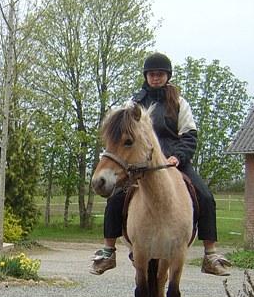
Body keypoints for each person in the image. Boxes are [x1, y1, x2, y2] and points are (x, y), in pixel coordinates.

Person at [90, 52, 231, 276]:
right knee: (116, 198)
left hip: (172, 163)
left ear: (167, 76)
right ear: (146, 76)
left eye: (160, 74)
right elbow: (121, 136)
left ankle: (210, 253)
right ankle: (108, 251)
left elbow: (189, 135)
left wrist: (178, 157)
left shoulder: (179, 103)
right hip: (139, 163)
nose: (156, 78)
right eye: (152, 74)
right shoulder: (134, 104)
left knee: (205, 196)